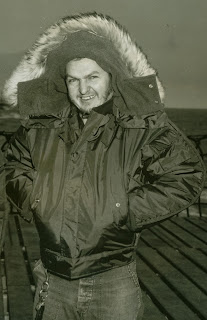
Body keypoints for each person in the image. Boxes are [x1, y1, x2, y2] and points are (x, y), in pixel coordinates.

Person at [0, 12, 206, 320]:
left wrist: (124, 210)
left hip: (113, 282)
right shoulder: (41, 128)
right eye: (74, 80)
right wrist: (37, 200)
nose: (83, 90)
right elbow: (11, 163)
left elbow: (185, 174)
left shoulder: (140, 125)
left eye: (92, 77)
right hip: (52, 281)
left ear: (111, 75)